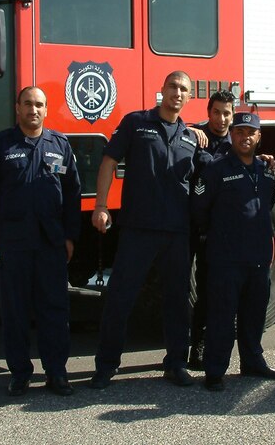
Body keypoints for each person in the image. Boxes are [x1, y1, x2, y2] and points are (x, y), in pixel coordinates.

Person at [90, 71, 208, 389]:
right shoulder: (136, 123)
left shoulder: (190, 137)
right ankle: (106, 366)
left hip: (176, 232)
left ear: (188, 96)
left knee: (176, 301)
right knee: (120, 298)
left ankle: (176, 364)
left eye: (184, 89)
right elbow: (108, 161)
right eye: (173, 86)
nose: (178, 93)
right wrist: (101, 205)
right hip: (138, 229)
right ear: (162, 90)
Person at [0, 86, 81, 397]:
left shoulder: (60, 145)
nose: (33, 110)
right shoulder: (0, 146)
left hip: (50, 244)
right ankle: (20, 373)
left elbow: (73, 194)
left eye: (39, 105)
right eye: (27, 104)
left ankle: (56, 372)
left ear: (46, 110)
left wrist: (70, 236)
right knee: (15, 311)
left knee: (54, 309)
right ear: (17, 108)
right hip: (13, 244)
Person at [192, 112, 275, 391]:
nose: (245, 137)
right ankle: (215, 371)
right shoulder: (216, 169)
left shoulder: (266, 169)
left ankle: (252, 362)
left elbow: (267, 205)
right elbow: (200, 210)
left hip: (258, 258)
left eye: (251, 132)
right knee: (222, 317)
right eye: (239, 132)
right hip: (226, 258)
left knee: (254, 314)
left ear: (259, 137)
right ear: (231, 135)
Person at [188, 90, 236, 370]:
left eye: (226, 113)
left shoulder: (237, 143)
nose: (221, 119)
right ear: (208, 112)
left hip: (218, 229)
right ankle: (178, 350)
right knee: (180, 286)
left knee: (208, 289)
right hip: (190, 221)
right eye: (216, 112)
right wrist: (188, 129)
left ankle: (201, 348)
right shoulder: (195, 136)